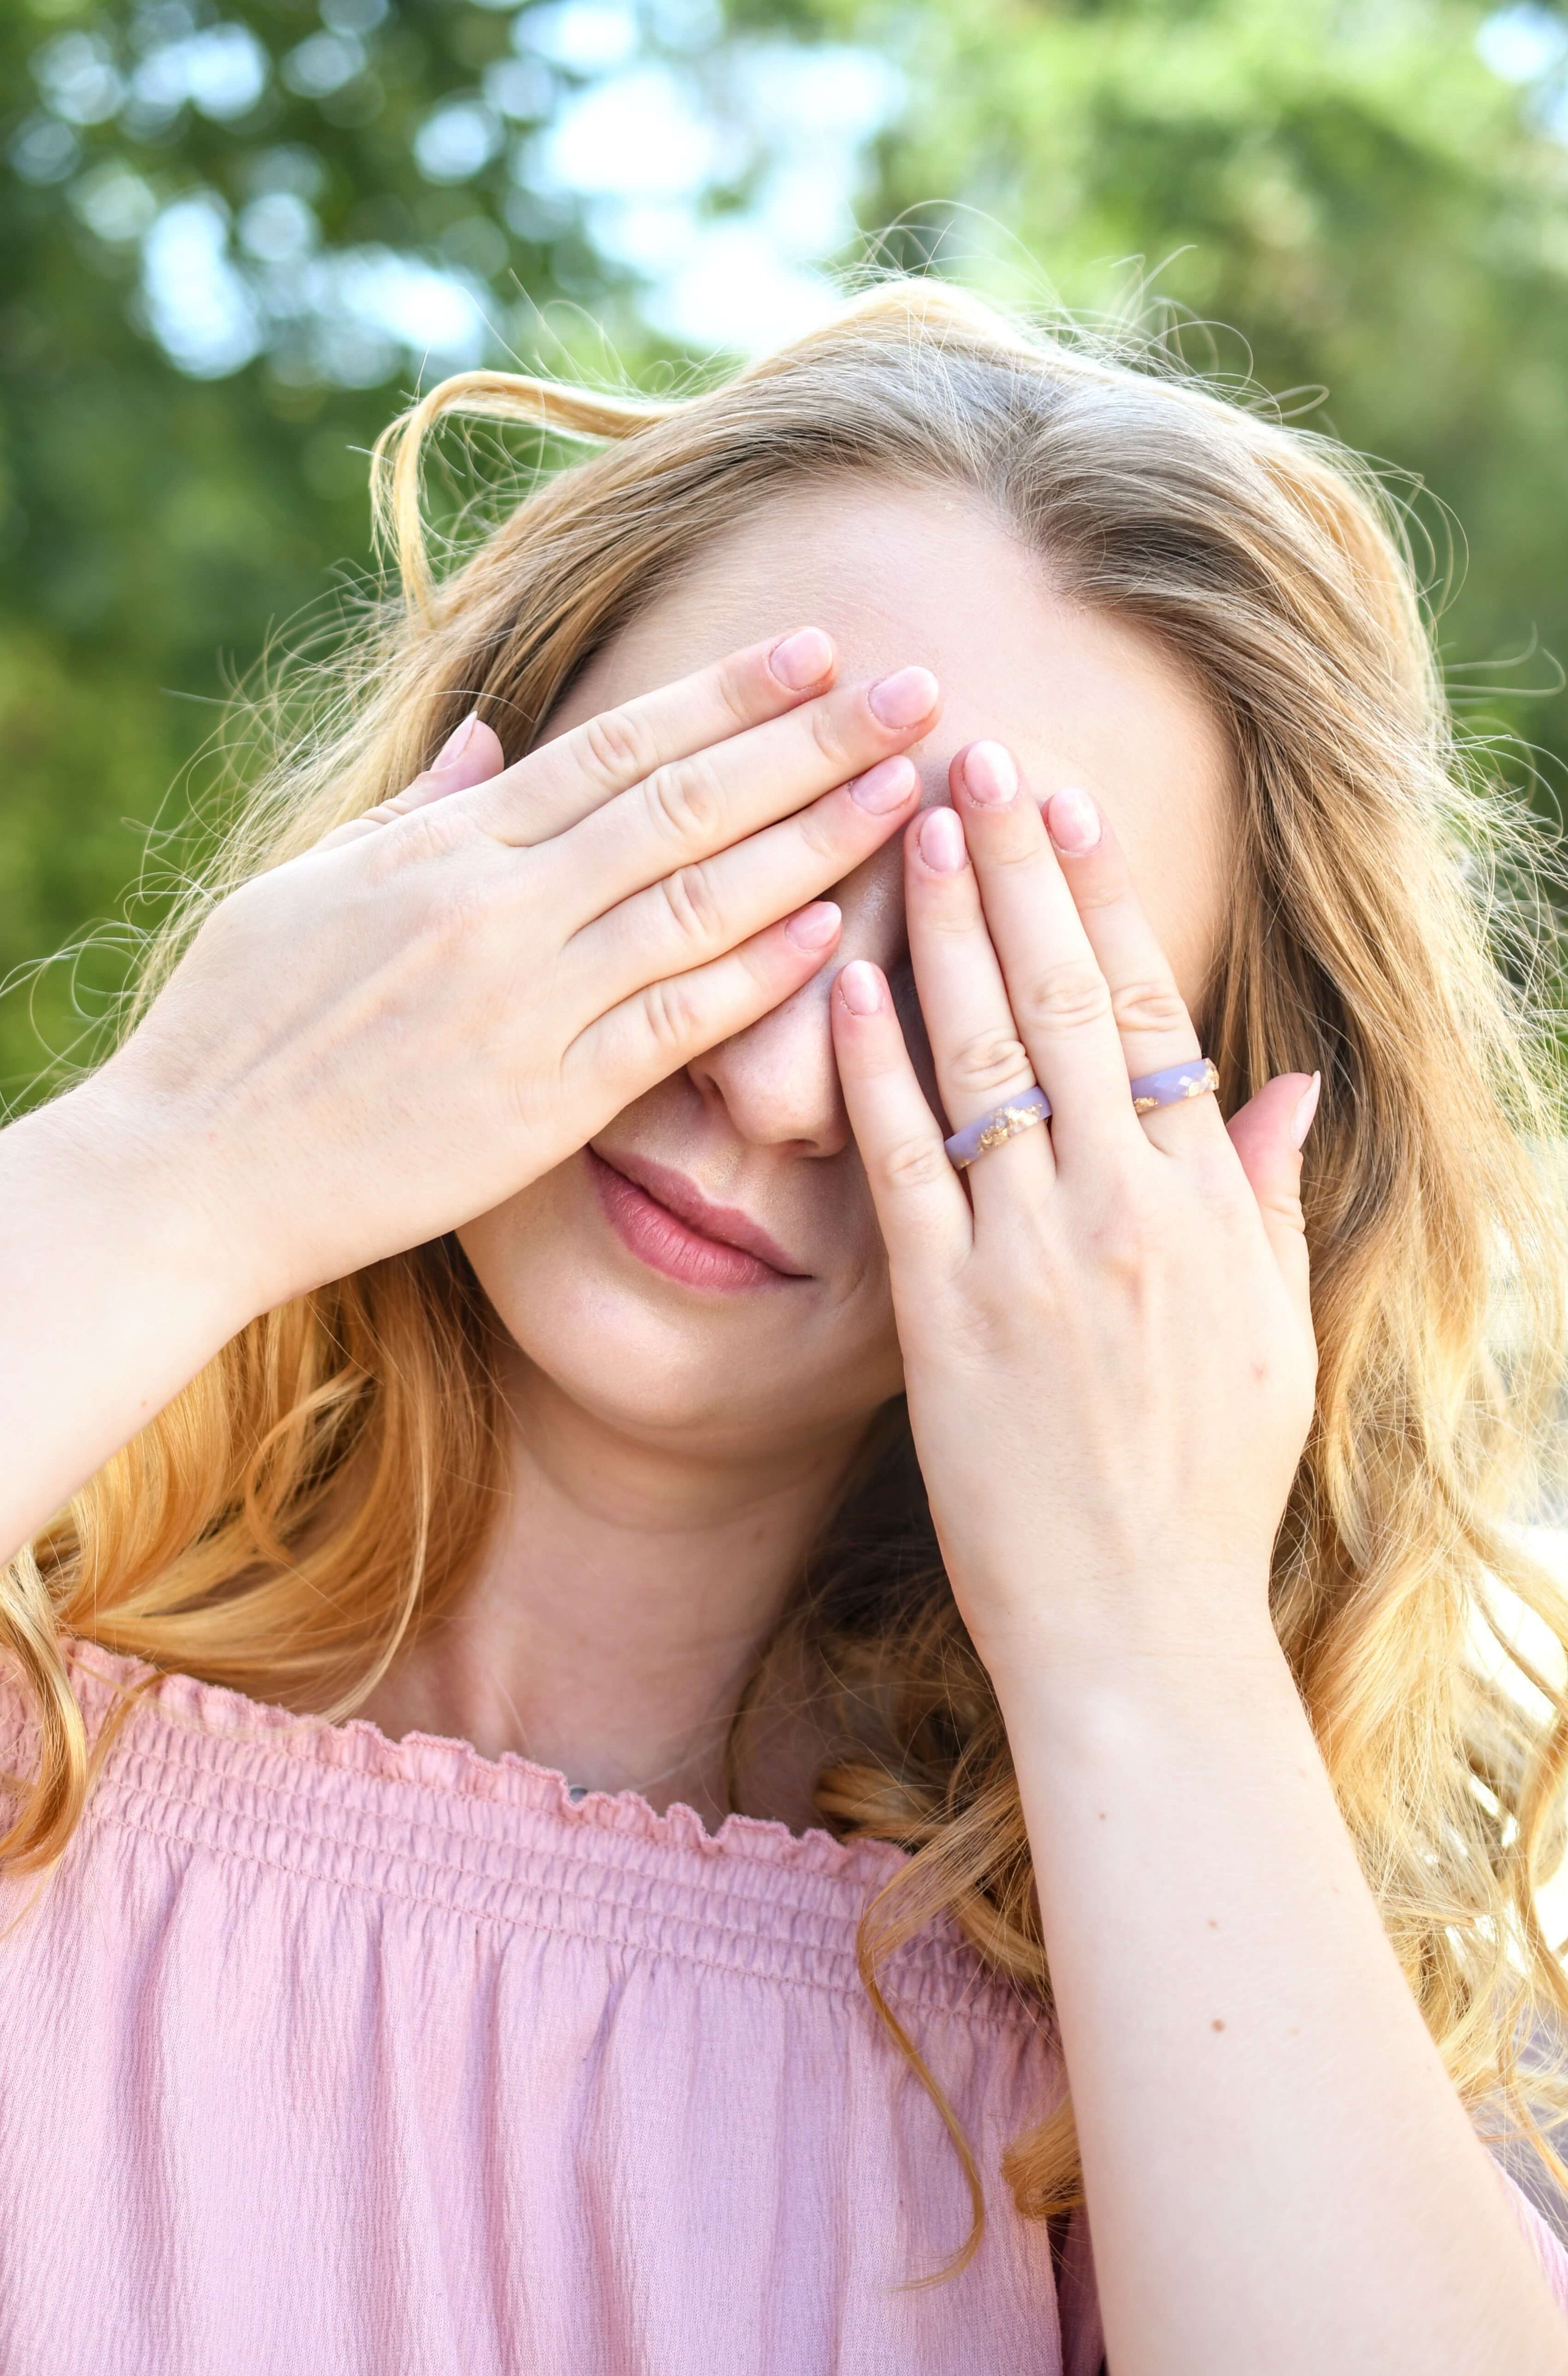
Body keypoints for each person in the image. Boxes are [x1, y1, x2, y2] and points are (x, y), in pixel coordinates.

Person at [1, 276, 1567, 2376]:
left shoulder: (1158, 2032)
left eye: (972, 1005)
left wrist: (1140, 1626)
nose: (769, 1086)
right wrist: (185, 1154)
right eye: (711, 879)